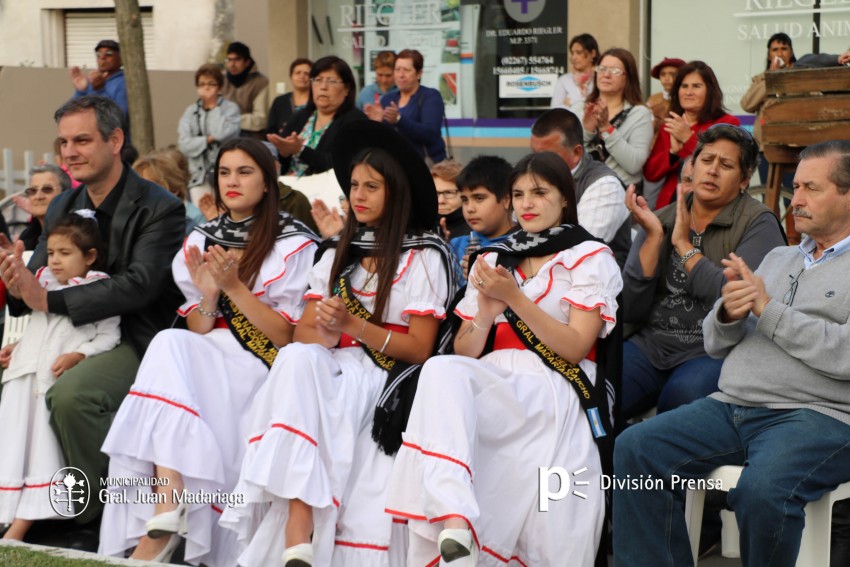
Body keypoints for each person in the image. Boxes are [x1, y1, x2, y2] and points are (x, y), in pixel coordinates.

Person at [219, 120, 456, 566]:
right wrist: (331, 327)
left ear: (396, 192)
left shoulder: (424, 254)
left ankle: (300, 526)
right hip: (334, 368)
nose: (359, 195)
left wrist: (354, 324)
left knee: (300, 369)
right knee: (295, 357)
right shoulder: (335, 253)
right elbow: (305, 333)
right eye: (353, 185)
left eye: (372, 186)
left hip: (389, 380)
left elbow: (421, 350)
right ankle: (299, 521)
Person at [614, 140, 850, 567]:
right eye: (794, 187)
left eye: (811, 189)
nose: (795, 200)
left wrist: (767, 309)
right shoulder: (779, 258)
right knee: (636, 447)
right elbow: (714, 342)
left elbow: (844, 355)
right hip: (732, 406)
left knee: (762, 490)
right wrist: (728, 312)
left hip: (818, 416)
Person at [386, 151, 623, 566]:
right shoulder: (497, 257)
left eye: (539, 192)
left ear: (565, 198)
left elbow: (574, 346)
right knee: (441, 368)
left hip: (556, 388)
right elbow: (463, 351)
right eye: (517, 194)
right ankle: (454, 516)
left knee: (550, 531)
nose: (526, 203)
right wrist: (485, 315)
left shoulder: (589, 256)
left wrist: (514, 299)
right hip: (499, 384)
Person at [99, 138, 319, 564]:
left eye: (244, 172)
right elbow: (200, 325)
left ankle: (167, 518)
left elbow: (286, 338)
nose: (232, 182)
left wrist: (236, 288)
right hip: (209, 351)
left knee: (168, 350)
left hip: (262, 362)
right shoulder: (204, 237)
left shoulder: (294, 241)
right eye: (224, 173)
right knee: (169, 341)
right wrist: (211, 296)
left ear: (268, 181)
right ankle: (169, 499)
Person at [0, 95, 185, 525]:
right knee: (16, 375)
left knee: (71, 395)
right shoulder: (64, 203)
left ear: (115, 139)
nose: (69, 152)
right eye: (64, 142)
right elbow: (40, 282)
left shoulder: (161, 207)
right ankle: (23, 503)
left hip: (137, 338)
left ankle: (93, 514)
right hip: (63, 332)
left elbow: (141, 286)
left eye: (82, 139)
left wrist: (46, 299)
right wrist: (14, 280)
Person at [621, 124, 786, 421]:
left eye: (726, 165)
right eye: (706, 161)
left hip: (711, 350)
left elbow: (736, 300)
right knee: (604, 387)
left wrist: (684, 248)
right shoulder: (660, 219)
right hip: (651, 344)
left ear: (745, 180)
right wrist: (654, 240)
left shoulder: (759, 223)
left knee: (683, 400)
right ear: (692, 167)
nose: (712, 171)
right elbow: (630, 310)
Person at [0, 212, 120, 541]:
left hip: (49, 384)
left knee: (40, 452)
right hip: (23, 377)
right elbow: (40, 328)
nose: (55, 261)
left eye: (65, 253)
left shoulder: (99, 290)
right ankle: (6, 513)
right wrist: (17, 345)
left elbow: (109, 337)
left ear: (90, 256)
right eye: (51, 253)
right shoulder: (41, 283)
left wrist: (80, 354)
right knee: (12, 448)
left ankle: (21, 526)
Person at [531, 108, 631, 268]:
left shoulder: (604, 185)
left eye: (547, 156)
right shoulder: (531, 177)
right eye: (533, 154)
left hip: (596, 283)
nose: (537, 163)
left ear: (576, 152)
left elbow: (579, 250)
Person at [644, 61, 740, 210]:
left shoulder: (727, 123)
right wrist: (672, 153)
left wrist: (689, 140)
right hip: (670, 207)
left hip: (710, 206)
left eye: (696, 86)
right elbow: (651, 173)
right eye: (684, 86)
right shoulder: (671, 124)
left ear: (710, 91)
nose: (688, 92)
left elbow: (723, 166)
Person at [268, 56, 366, 177]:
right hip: (290, 187)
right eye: (318, 80)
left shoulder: (356, 121)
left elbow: (341, 165)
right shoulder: (301, 116)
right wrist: (283, 153)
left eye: (331, 81)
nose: (323, 87)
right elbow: (282, 163)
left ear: (347, 89)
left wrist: (300, 150)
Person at [575, 47, 654, 188]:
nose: (606, 75)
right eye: (602, 68)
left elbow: (634, 164)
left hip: (622, 196)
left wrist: (607, 128)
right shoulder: (579, 108)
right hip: (583, 191)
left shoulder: (640, 114)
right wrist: (587, 131)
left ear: (628, 78)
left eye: (615, 71)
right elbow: (570, 156)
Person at [364, 49, 447, 164]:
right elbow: (384, 139)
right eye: (397, 70)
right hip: (395, 165)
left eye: (406, 70)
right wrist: (378, 123)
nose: (401, 75)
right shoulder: (389, 98)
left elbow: (430, 134)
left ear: (419, 73)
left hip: (425, 165)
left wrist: (399, 119)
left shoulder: (430, 96)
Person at [448, 155, 515, 286]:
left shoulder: (525, 245)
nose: (470, 209)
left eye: (479, 198)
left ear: (507, 200)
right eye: (464, 200)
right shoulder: (456, 246)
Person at [178, 63, 241, 198]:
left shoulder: (230, 109)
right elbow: (184, 144)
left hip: (226, 173)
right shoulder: (190, 112)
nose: (206, 87)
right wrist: (207, 140)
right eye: (201, 84)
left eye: (211, 84)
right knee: (202, 215)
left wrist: (213, 107)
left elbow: (221, 133)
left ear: (219, 87)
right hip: (197, 176)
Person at [133, 151, 207, 234]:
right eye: (137, 187)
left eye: (149, 187)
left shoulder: (188, 229)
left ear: (173, 191)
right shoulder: (128, 225)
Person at [221, 41, 270, 140]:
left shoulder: (260, 82)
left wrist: (231, 119)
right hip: (223, 134)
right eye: (229, 60)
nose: (232, 64)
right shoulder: (221, 80)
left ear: (247, 62)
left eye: (237, 60)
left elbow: (260, 120)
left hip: (251, 137)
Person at [17, 164, 72, 250]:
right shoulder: (28, 235)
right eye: (33, 190)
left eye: (47, 189)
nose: (38, 196)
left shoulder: (75, 233)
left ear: (65, 194)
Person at [70, 40, 127, 120]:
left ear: (121, 59)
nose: (102, 57)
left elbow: (119, 117)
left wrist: (100, 91)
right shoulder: (94, 81)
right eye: (98, 54)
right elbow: (73, 112)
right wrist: (81, 91)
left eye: (109, 54)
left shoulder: (123, 83)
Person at [550, 33, 599, 110]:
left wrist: (570, 104)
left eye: (579, 53)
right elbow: (555, 110)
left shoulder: (600, 78)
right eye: (572, 53)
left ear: (592, 53)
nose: (574, 57)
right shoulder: (564, 80)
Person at [267, 58, 313, 137]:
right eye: (298, 73)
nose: (302, 76)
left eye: (306, 73)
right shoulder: (279, 101)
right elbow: (271, 130)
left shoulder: (316, 102)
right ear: (291, 76)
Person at [645, 57, 686, 135]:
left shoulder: (687, 97)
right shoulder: (652, 100)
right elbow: (646, 131)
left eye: (673, 74)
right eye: (663, 74)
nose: (667, 78)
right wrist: (656, 120)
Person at [432, 159, 469, 240]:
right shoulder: (419, 229)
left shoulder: (478, 230)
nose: (440, 201)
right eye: (436, 193)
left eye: (449, 193)